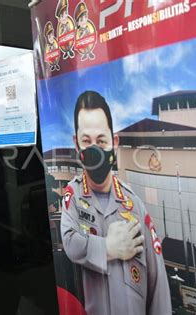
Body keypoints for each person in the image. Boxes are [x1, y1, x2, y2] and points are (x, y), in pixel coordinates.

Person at [61, 90, 171, 314]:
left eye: (101, 141)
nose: (94, 149)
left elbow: (157, 283)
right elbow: (70, 242)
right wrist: (106, 248)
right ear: (76, 145)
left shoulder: (135, 205)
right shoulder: (73, 195)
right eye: (86, 141)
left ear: (115, 142)